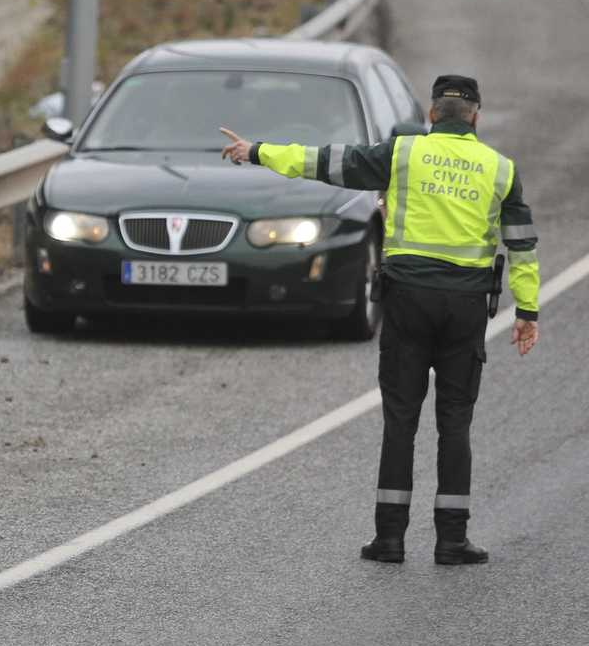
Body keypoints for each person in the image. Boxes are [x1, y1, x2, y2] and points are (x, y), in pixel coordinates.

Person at [218, 74, 539, 565]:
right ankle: (452, 540)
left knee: (400, 422)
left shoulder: (402, 153)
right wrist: (528, 310)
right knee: (455, 425)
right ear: (476, 117)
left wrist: (256, 150)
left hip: (407, 302)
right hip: (465, 309)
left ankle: (389, 539)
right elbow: (522, 245)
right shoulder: (501, 169)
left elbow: (325, 162)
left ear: (431, 114)